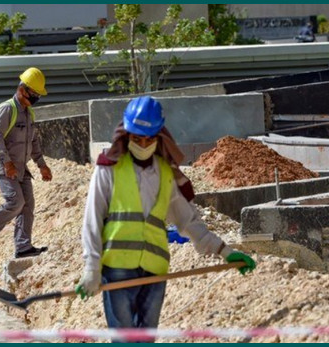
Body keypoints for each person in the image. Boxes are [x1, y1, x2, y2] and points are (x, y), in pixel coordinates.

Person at [75, 96, 256, 342]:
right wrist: (91, 268)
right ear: (127, 135)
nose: (142, 143)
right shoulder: (109, 168)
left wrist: (224, 251)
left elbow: (188, 222)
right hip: (117, 268)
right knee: (124, 339)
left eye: (148, 138)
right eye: (136, 138)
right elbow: (92, 219)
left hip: (155, 269)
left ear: (158, 136)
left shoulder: (165, 173)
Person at [0, 67, 53, 259]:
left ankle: (23, 247)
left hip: (21, 166)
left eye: (38, 95)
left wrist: (41, 164)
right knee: (15, 202)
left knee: (28, 205)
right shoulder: (7, 108)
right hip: (4, 165)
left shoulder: (29, 113)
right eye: (33, 94)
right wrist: (7, 162)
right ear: (22, 89)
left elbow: (32, 141)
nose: (35, 98)